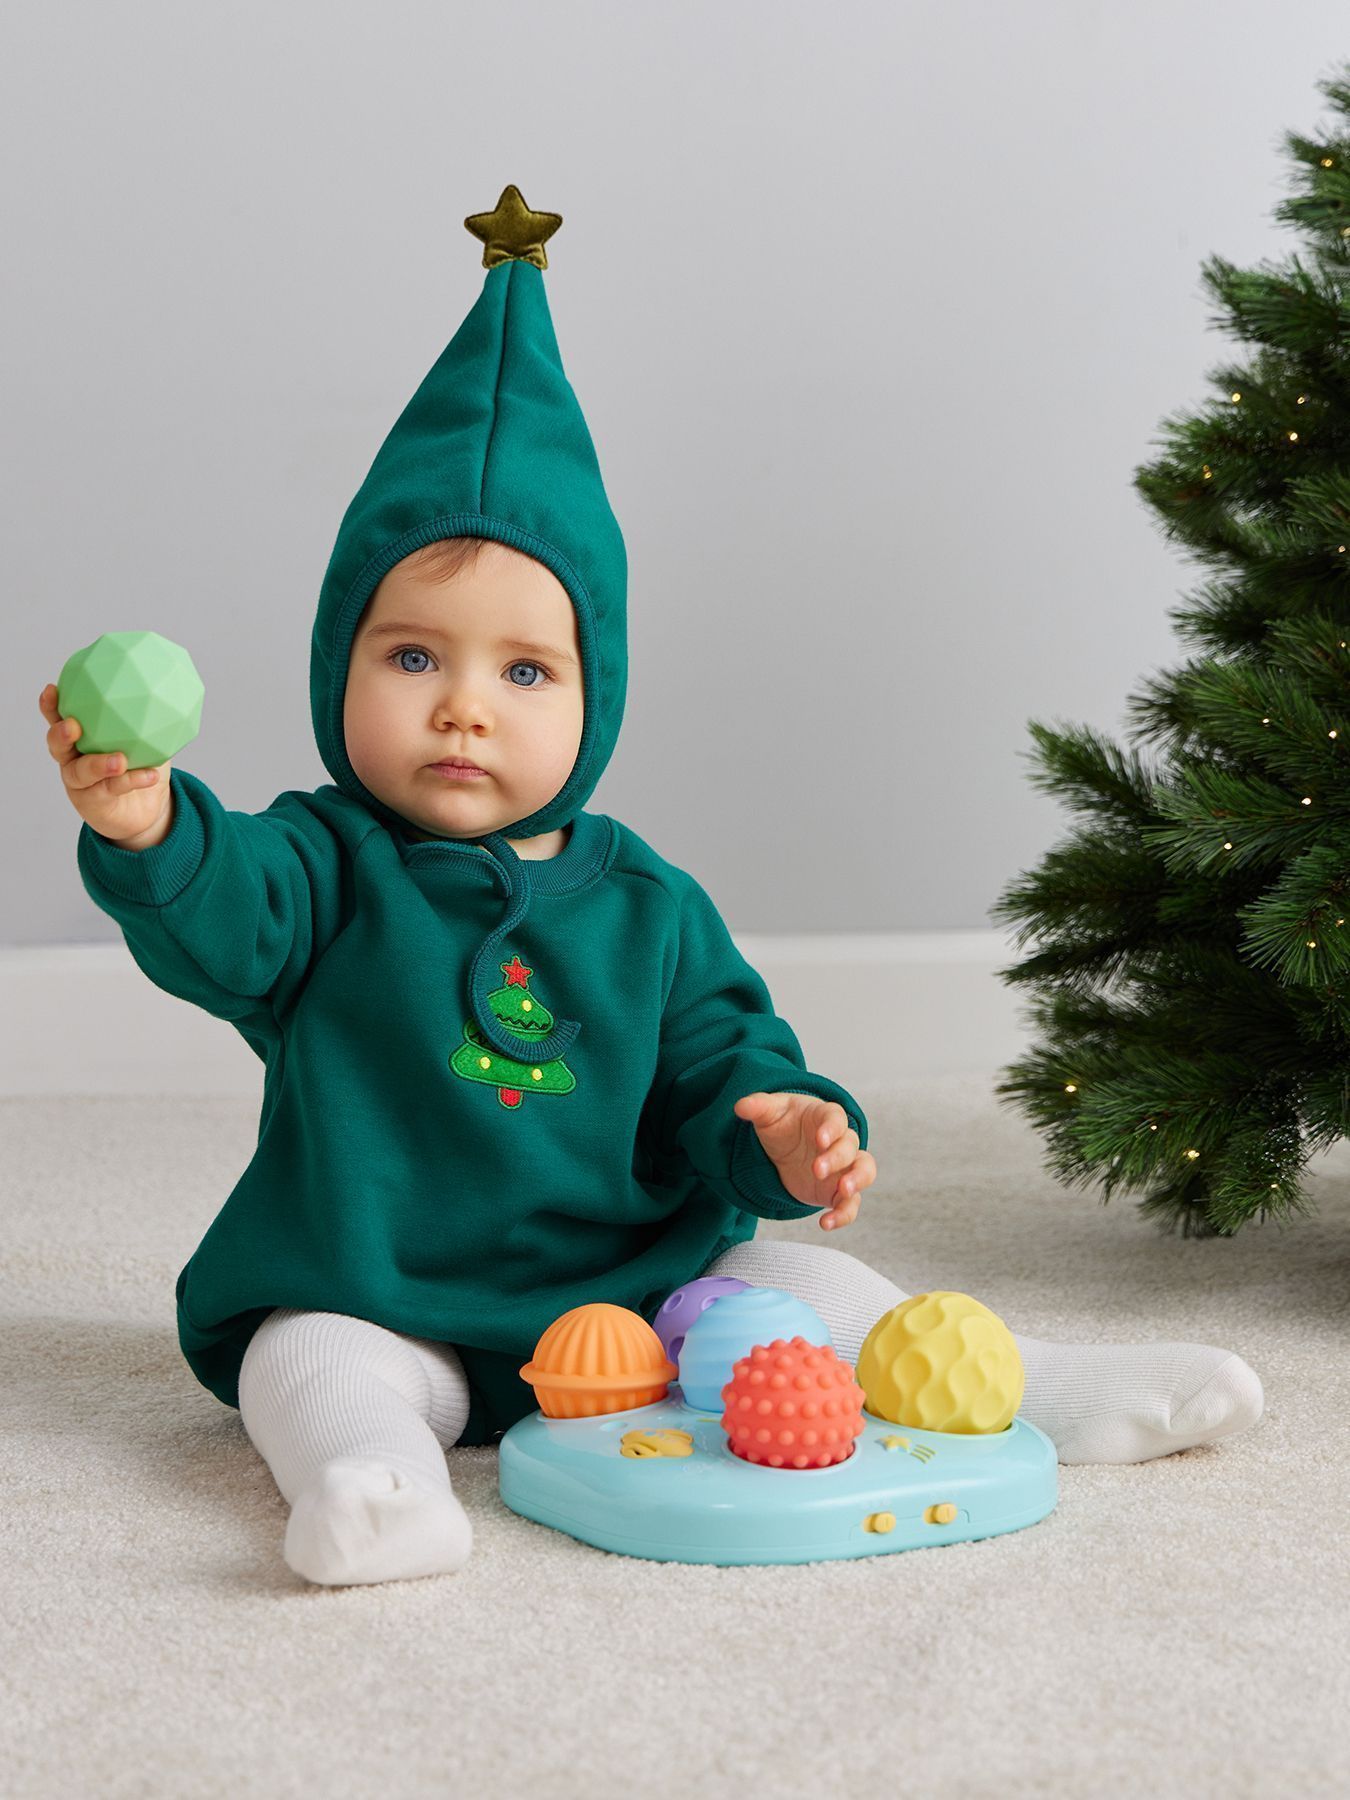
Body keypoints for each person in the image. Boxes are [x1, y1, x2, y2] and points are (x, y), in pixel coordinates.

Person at [40, 186, 1262, 1588]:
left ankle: (1025, 1383)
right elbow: (220, 913)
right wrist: (148, 827)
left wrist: (784, 1126)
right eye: (412, 656)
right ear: (341, 665)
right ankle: (372, 1485)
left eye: (524, 670)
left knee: (807, 1289)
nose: (462, 708)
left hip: (643, 1303)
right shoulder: (319, 865)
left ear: (593, 700)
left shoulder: (649, 906)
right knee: (303, 1359)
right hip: (385, 1296)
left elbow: (720, 1064)